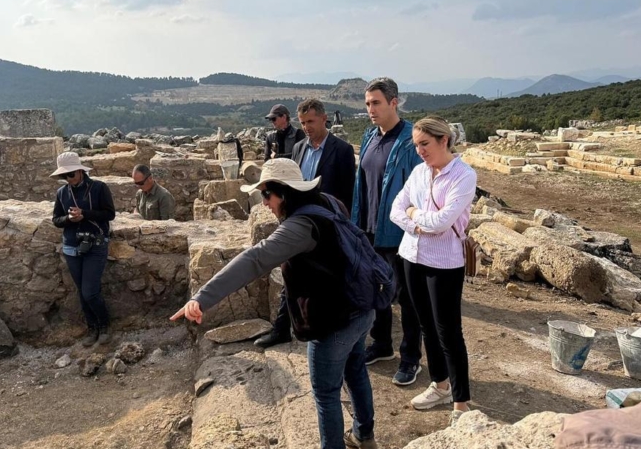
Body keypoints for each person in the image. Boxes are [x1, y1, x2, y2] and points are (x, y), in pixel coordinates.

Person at [171, 158, 379, 449]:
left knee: (326, 393)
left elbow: (255, 259)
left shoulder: (300, 226)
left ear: (284, 192)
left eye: (266, 194)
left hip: (333, 321)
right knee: (356, 371)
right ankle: (364, 435)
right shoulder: (329, 203)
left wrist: (202, 298)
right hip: (361, 306)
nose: (264, 202)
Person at [389, 116, 477, 426]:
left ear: (444, 140)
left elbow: (443, 223)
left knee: (449, 331)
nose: (420, 151)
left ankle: (461, 403)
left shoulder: (463, 176)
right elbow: (395, 210)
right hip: (411, 256)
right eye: (416, 146)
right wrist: (417, 220)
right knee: (425, 324)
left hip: (444, 263)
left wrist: (413, 216)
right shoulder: (417, 172)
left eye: (425, 144)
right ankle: (440, 384)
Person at [254, 99, 356, 348]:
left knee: (325, 281)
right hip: (299, 222)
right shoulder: (299, 148)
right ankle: (283, 328)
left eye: (311, 121)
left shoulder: (341, 150)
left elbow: (347, 192)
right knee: (292, 275)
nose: (307, 127)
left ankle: (338, 331)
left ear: (324, 119)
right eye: (303, 122)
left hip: (326, 227)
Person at [350, 77, 425, 387]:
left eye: (376, 103)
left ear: (395, 102)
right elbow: (362, 184)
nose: (371, 109)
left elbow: (420, 190)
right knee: (374, 292)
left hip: (398, 234)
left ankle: (411, 359)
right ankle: (381, 344)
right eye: (367, 104)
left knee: (408, 298)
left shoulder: (410, 140)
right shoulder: (370, 136)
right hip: (368, 231)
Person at [51, 152, 116, 347]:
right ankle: (92, 327)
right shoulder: (62, 193)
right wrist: (69, 219)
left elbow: (109, 214)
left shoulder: (98, 188)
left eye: (71, 175)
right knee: (81, 290)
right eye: (65, 176)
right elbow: (56, 220)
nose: (68, 179)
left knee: (90, 292)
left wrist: (85, 215)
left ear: (80, 171)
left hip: (95, 244)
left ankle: (104, 325)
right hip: (72, 246)